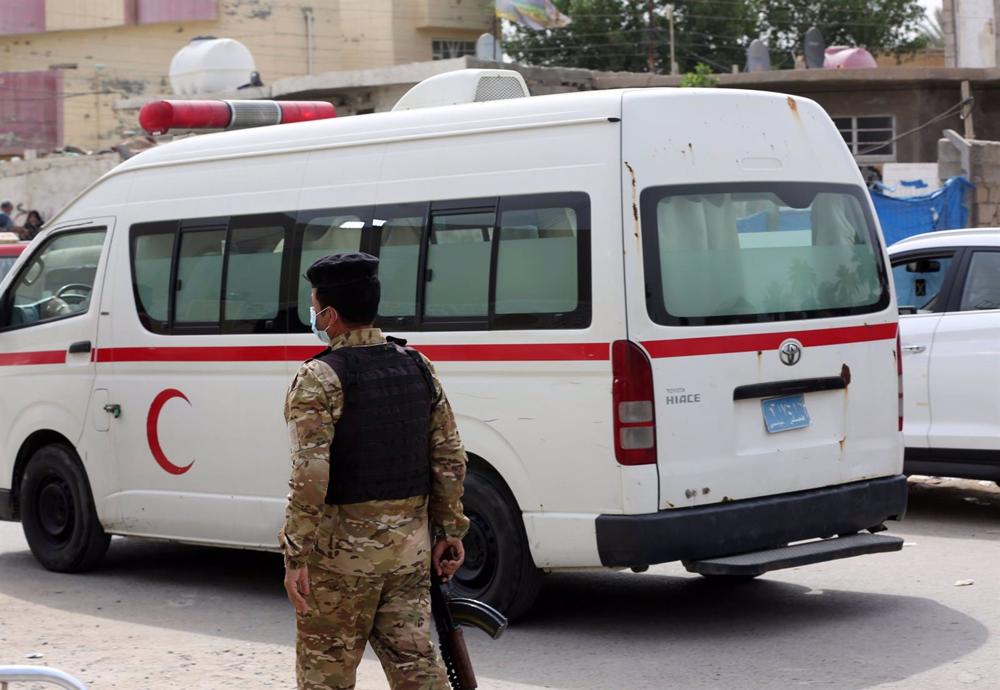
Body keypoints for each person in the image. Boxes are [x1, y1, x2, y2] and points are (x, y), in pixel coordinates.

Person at [280, 251, 470, 690]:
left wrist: (296, 555)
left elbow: (310, 475)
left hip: (340, 563)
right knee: (417, 669)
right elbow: (448, 456)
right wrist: (449, 530)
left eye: (314, 305)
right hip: (409, 554)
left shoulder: (319, 377)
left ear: (329, 314)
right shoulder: (417, 365)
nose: (313, 313)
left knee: (326, 678)